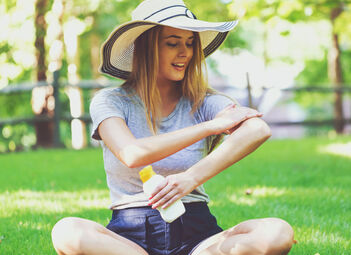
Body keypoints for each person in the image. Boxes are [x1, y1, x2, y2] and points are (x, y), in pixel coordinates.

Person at [51, 0, 294, 254]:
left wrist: (190, 178)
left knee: (277, 232)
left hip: (198, 236)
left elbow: (258, 130)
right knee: (66, 231)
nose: (185, 52)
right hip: (130, 240)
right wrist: (210, 127)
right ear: (146, 47)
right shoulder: (110, 101)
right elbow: (132, 154)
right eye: (173, 42)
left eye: (190, 43)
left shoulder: (204, 102)